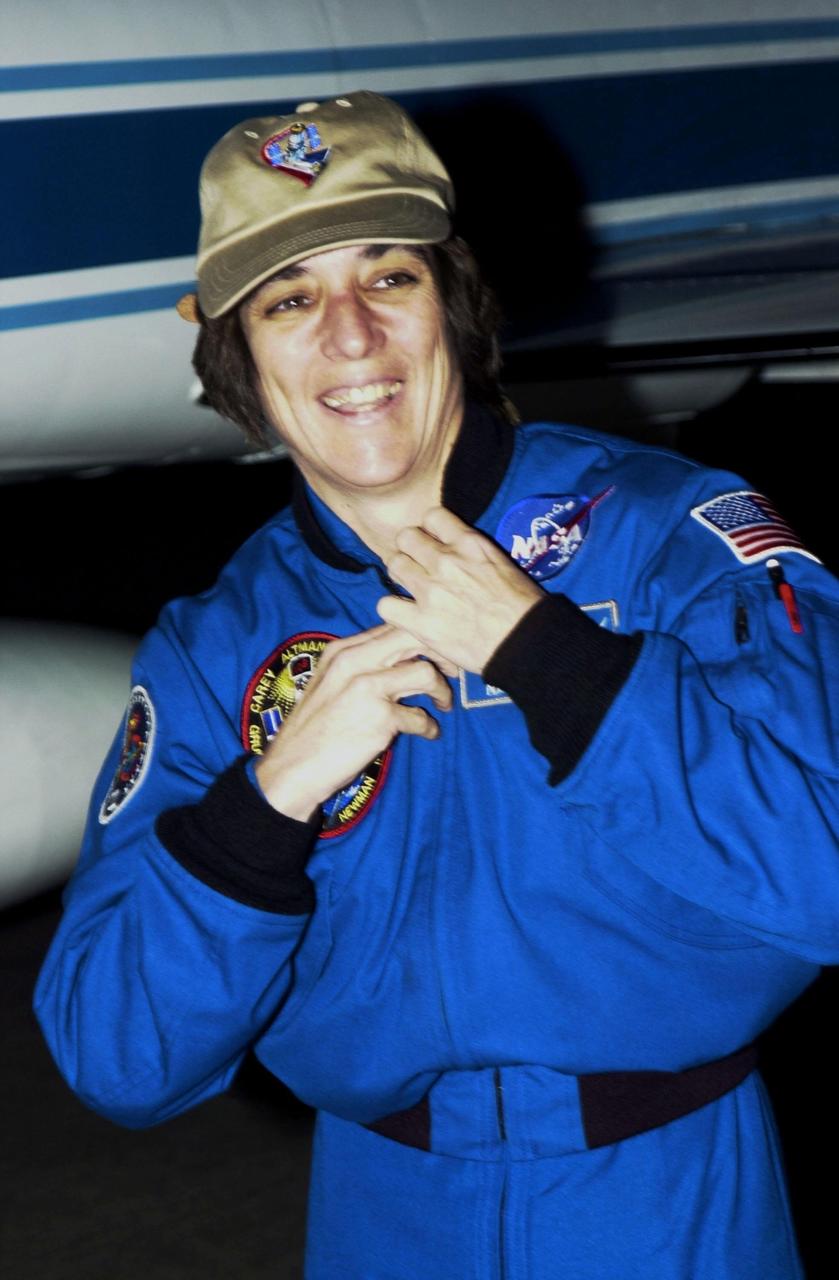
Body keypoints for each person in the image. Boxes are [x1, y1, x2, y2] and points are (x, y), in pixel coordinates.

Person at [35, 90, 839, 1279]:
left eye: (389, 278)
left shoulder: (672, 540)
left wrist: (556, 663)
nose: (349, 337)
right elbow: (117, 1055)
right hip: (382, 1212)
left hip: (666, 1202)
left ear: (453, 305)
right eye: (290, 299)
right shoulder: (219, 644)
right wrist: (262, 810)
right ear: (236, 355)